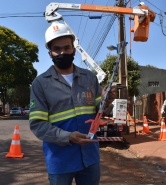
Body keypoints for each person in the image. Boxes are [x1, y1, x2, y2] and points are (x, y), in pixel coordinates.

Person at [29, 21, 116, 185]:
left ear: (74, 50)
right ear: (50, 54)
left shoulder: (89, 77)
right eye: (57, 49)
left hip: (90, 157)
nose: (62, 52)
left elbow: (100, 111)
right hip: (60, 159)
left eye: (67, 48)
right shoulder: (40, 84)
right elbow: (38, 125)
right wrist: (69, 137)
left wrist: (106, 99)